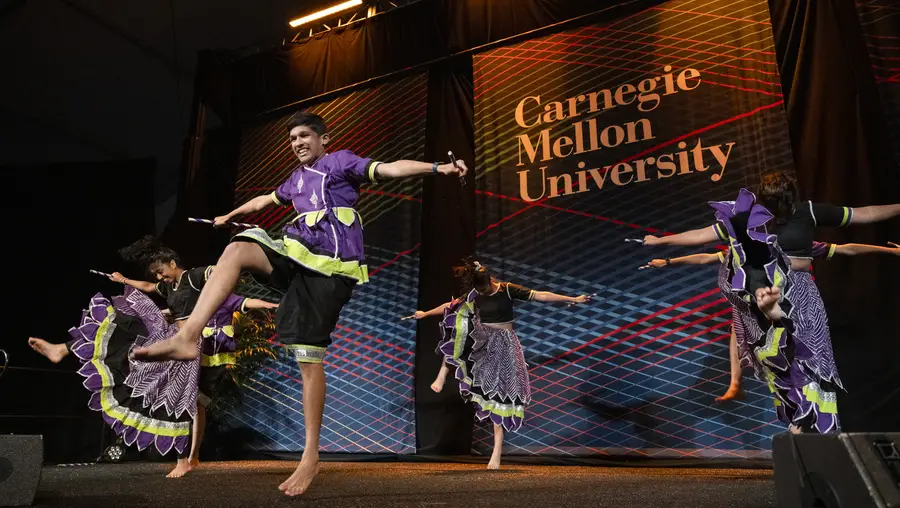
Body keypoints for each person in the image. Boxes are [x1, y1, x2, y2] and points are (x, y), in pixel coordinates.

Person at [132, 112, 468, 495]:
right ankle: (188, 335)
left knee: (309, 359)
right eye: (292, 138)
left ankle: (310, 457)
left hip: (329, 267)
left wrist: (438, 167)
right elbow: (264, 200)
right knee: (239, 247)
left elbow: (390, 169)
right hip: (296, 253)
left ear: (324, 139)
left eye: (304, 135)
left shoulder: (340, 162)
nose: (297, 142)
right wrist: (231, 214)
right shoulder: (294, 180)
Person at [641, 171, 900, 433]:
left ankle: (810, 424)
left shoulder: (807, 212)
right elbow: (701, 237)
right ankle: (777, 404)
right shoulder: (747, 219)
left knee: (810, 358)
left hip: (801, 296)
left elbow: (862, 216)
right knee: (774, 356)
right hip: (762, 293)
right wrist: (661, 242)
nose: (778, 211)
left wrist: (892, 243)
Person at [643, 241, 900, 403]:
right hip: (759, 308)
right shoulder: (741, 249)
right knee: (737, 324)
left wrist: (889, 250)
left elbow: (846, 248)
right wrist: (668, 261)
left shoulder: (792, 245)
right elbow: (706, 257)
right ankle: (736, 385)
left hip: (788, 309)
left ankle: (805, 388)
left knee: (790, 352)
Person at [111, 236, 277, 477]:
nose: (159, 278)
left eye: (160, 271)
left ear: (172, 262)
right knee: (192, 403)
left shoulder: (195, 276)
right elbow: (148, 287)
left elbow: (223, 277)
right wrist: (123, 279)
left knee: (191, 402)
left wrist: (243, 269)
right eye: (156, 275)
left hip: (206, 348)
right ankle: (191, 457)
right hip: (182, 349)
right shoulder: (168, 287)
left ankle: (187, 458)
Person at [415, 259, 590, 469]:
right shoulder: (475, 294)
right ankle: (443, 373)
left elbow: (540, 295)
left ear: (490, 280)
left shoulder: (507, 289)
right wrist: (425, 313)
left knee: (499, 395)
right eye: (480, 290)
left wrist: (573, 299)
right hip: (483, 340)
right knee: (459, 327)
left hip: (505, 344)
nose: (484, 292)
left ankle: (497, 450)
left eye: (486, 287)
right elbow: (450, 306)